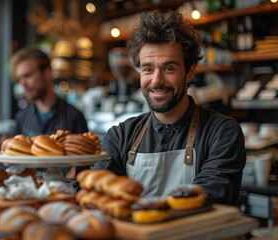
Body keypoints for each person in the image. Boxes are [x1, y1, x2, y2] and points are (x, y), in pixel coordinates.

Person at [96, 10, 246, 205]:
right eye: (148, 69)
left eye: (169, 68)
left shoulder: (221, 133)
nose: (156, 81)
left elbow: (209, 194)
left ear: (190, 72)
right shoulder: (120, 136)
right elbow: (98, 189)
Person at [0, 47, 89, 178]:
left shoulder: (74, 116)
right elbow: (16, 164)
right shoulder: (22, 117)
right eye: (20, 78)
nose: (23, 84)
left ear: (47, 72)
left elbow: (84, 167)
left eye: (28, 75)